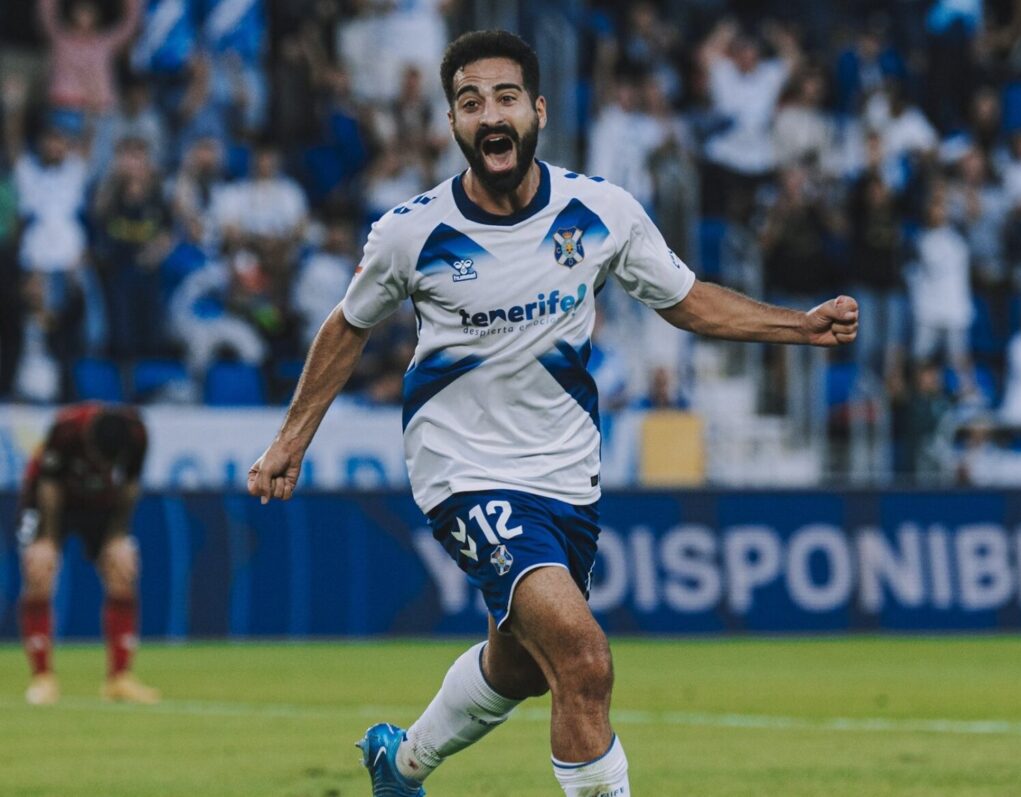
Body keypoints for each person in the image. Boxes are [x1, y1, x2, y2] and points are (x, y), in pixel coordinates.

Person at [247, 30, 858, 797]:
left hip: (566, 474)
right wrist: (289, 442)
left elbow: (687, 299)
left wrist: (798, 325)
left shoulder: (601, 211)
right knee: (582, 658)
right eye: (471, 103)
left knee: (519, 666)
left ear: (537, 110)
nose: (490, 114)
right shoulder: (412, 231)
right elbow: (347, 325)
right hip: (463, 469)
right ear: (452, 125)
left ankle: (400, 763)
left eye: (505, 97)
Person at [17, 402, 159, 706]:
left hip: (100, 505)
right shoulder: (67, 428)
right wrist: (47, 539)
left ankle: (119, 679)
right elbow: (49, 485)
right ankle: (42, 678)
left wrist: (117, 536)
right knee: (40, 572)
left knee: (123, 569)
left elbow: (130, 486)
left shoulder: (136, 434)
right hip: (50, 501)